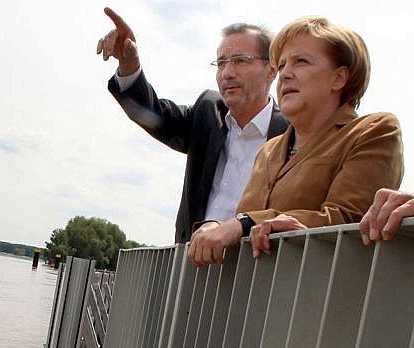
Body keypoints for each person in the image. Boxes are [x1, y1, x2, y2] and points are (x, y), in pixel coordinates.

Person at [188, 16, 404, 265]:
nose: (285, 74)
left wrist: (245, 223)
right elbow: (242, 229)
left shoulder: (374, 131)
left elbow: (349, 219)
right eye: (281, 66)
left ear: (339, 78)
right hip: (251, 297)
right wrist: (217, 227)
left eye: (300, 61)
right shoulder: (268, 150)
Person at [97, 7, 288, 244]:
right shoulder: (208, 113)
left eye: (240, 61)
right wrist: (129, 65)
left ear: (272, 70)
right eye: (220, 63)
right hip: (193, 271)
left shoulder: (293, 132)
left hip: (257, 270)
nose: (227, 73)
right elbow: (153, 114)